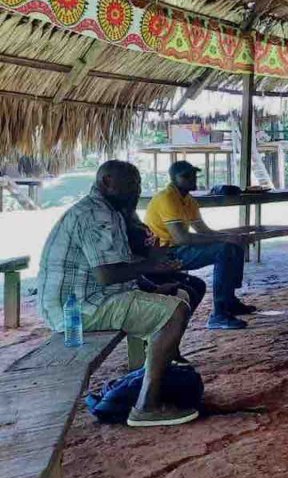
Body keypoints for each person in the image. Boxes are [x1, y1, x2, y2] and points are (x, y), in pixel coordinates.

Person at [37, 160, 198, 427]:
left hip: (93, 299)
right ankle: (146, 406)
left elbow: (121, 267)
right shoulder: (95, 215)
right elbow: (108, 274)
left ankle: (155, 372)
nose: (137, 189)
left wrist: (153, 286)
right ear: (107, 182)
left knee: (178, 297)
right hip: (77, 309)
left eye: (138, 183)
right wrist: (153, 265)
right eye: (131, 184)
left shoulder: (109, 211)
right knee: (174, 311)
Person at [144, 160, 255, 330]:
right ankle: (219, 314)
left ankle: (230, 301)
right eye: (186, 176)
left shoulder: (188, 200)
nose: (192, 178)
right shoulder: (167, 198)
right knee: (223, 250)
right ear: (174, 178)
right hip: (165, 253)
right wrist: (224, 240)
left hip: (177, 248)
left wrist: (232, 237)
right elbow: (181, 238)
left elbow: (205, 231)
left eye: (194, 174)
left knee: (234, 245)